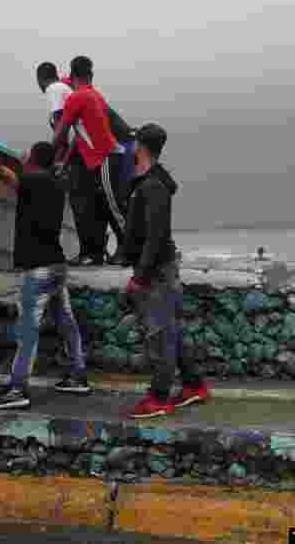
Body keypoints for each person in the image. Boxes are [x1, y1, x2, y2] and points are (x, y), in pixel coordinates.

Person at [0, 125, 90, 407]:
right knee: (66, 321)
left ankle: (17, 389)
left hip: (38, 268)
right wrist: (28, 162)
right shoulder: (57, 184)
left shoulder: (30, 182)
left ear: (32, 161)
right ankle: (79, 374)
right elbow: (44, 168)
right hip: (58, 265)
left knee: (28, 330)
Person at [120, 124, 210, 419]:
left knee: (160, 334)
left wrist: (140, 275)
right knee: (170, 330)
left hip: (156, 270)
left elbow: (156, 235)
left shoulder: (153, 186)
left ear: (140, 147)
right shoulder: (148, 182)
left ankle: (159, 398)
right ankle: (194, 385)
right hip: (158, 267)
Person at [52, 57, 130, 266]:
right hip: (106, 159)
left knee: (114, 206)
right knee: (103, 205)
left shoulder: (76, 98)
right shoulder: (95, 95)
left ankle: (131, 250)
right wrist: (67, 161)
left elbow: (61, 133)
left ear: (72, 76)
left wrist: (47, 158)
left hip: (106, 157)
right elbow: (80, 137)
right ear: (91, 75)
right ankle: (97, 253)